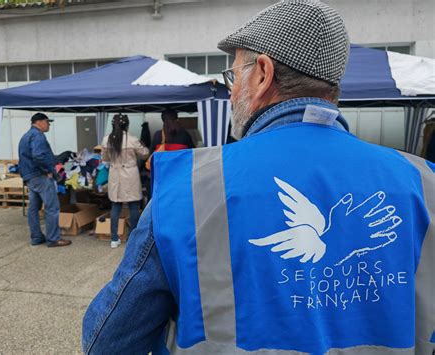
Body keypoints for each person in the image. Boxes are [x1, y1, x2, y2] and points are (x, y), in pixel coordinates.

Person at [82, 1, 435, 354]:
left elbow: (108, 342)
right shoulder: (423, 184)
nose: (231, 91)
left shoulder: (189, 187)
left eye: (234, 76)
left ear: (263, 73)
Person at [18, 113, 71, 248]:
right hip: (41, 176)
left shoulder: (25, 136)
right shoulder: (38, 136)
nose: (49, 125)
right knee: (52, 208)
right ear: (39, 122)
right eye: (47, 122)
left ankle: (36, 237)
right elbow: (38, 155)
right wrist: (47, 170)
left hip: (30, 177)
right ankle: (53, 239)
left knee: (33, 209)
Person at [102, 114, 149, 248]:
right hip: (130, 174)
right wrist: (144, 146)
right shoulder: (132, 139)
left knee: (116, 206)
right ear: (127, 125)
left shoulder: (107, 140)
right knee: (133, 205)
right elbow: (145, 153)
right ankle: (131, 237)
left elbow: (105, 158)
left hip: (115, 174)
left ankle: (114, 239)